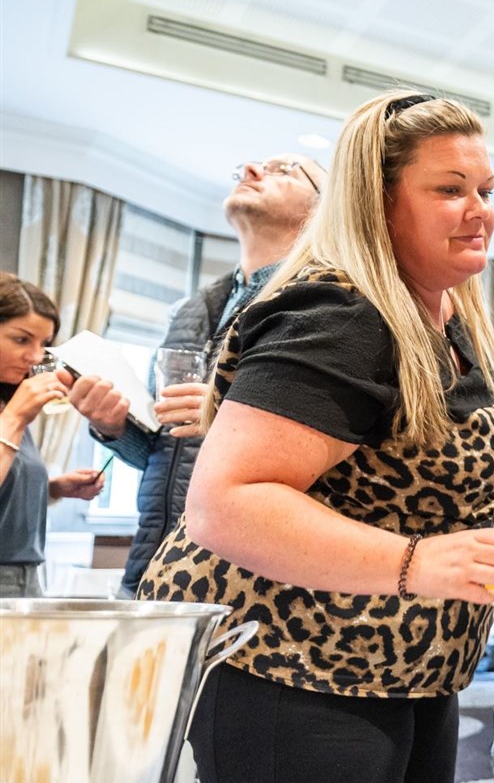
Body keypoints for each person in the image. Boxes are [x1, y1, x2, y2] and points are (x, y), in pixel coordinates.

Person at [138, 91, 494, 783]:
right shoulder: (341, 314)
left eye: (485, 186)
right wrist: (418, 559)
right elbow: (227, 500)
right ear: (377, 200)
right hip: (293, 665)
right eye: (449, 190)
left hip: (409, 667)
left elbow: (390, 455)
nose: (479, 211)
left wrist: (491, 478)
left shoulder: (444, 313)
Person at [69, 154, 324, 597]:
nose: (249, 171)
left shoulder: (321, 305)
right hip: (154, 562)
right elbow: (165, 452)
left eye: (283, 170)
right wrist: (111, 427)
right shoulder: (189, 312)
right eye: (248, 167)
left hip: (248, 581)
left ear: (328, 208)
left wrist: (228, 416)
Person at [0, 275, 104, 598]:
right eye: (22, 339)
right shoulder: (15, 411)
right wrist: (16, 417)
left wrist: (54, 488)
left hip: (26, 577)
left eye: (44, 343)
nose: (35, 356)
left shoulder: (10, 399)